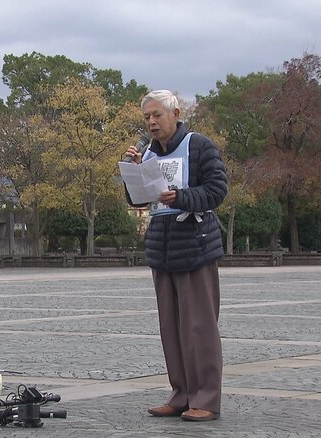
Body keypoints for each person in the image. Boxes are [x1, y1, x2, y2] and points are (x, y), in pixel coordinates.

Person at [124, 90, 228, 422]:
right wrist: (132, 171)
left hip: (195, 245)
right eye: (146, 117)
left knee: (199, 326)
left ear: (175, 114)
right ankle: (181, 393)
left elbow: (217, 189)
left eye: (157, 115)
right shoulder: (147, 153)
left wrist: (181, 196)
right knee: (170, 327)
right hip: (162, 247)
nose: (151, 122)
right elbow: (137, 200)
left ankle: (206, 398)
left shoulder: (199, 146)